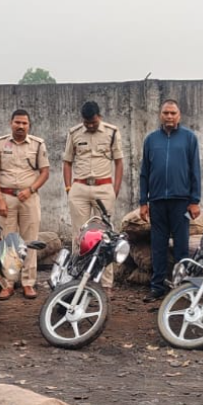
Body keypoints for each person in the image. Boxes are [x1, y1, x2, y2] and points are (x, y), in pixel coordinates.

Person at [139, 99, 202, 302]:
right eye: (166, 113)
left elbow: (195, 171)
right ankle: (157, 287)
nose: (169, 116)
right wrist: (143, 202)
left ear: (179, 115)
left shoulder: (189, 138)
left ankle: (182, 285)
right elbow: (144, 173)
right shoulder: (151, 140)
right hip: (157, 201)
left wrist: (194, 200)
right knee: (158, 246)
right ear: (160, 115)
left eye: (173, 113)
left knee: (182, 246)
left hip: (180, 202)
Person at [0, 109, 50, 300]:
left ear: (29, 125)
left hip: (29, 198)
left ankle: (28, 283)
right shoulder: (0, 144)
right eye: (17, 122)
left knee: (29, 241)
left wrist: (30, 190)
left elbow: (45, 172)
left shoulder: (38, 145)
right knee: (8, 241)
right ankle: (8, 283)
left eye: (24, 123)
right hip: (6, 198)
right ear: (11, 123)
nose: (20, 126)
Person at [62, 100, 124, 289]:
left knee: (105, 237)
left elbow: (119, 162)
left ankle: (105, 284)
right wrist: (68, 189)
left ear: (100, 117)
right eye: (86, 122)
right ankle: (77, 279)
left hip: (103, 188)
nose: (90, 125)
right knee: (79, 236)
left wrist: (114, 191)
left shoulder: (112, 132)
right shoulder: (74, 133)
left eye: (93, 122)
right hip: (79, 188)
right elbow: (67, 162)